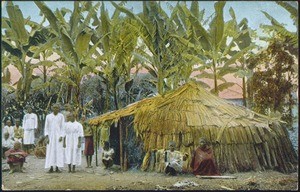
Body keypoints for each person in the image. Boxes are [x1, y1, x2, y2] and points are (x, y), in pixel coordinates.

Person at [44, 103, 65, 173]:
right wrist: (47, 137)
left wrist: (61, 136)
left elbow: (63, 127)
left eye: (57, 108)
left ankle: (57, 167)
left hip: (58, 136)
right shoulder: (48, 116)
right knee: (50, 151)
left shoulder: (61, 116)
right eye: (54, 107)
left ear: (59, 109)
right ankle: (50, 167)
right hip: (51, 136)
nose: (56, 109)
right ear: (52, 108)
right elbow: (46, 128)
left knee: (58, 151)